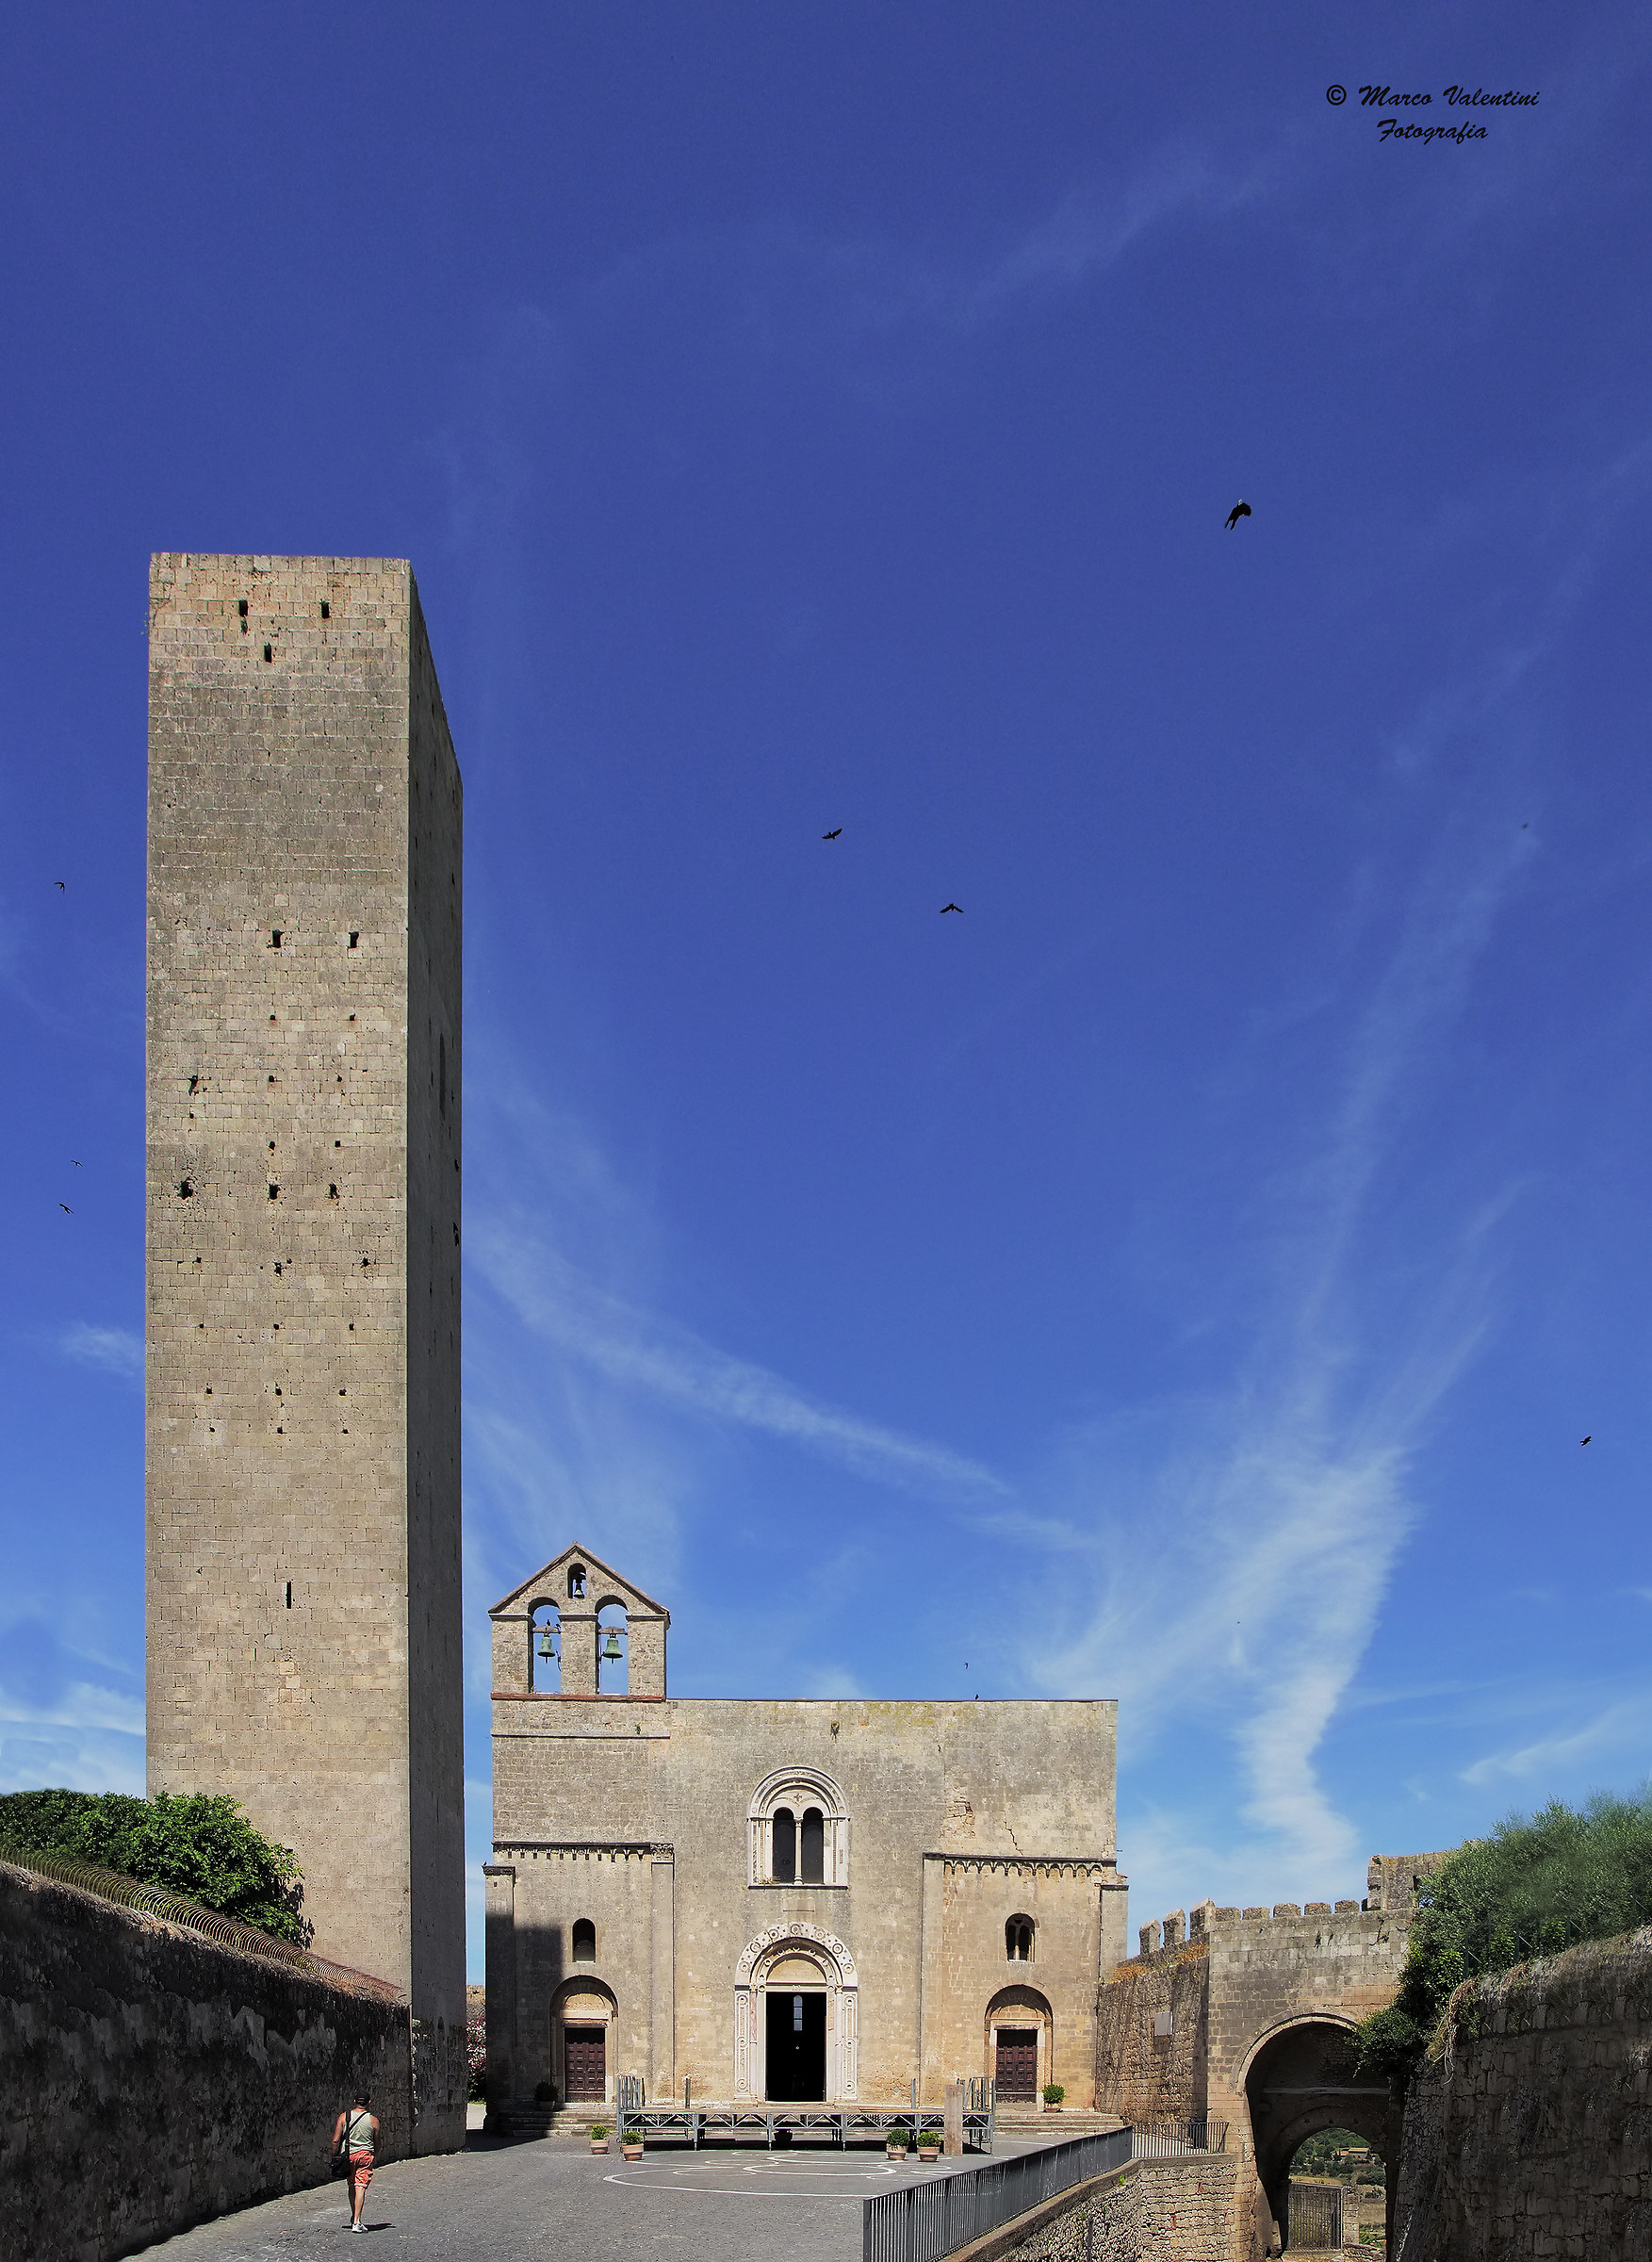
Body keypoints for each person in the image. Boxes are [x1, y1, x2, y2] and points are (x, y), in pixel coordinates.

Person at [333, 2090, 378, 2232]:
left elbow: (336, 2140)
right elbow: (377, 2142)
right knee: (361, 2185)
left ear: (354, 2101)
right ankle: (357, 2221)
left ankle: (354, 2216)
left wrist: (335, 2155)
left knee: (352, 2185)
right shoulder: (373, 2120)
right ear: (368, 2103)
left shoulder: (344, 2117)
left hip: (348, 2156)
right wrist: (374, 2154)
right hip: (365, 2155)